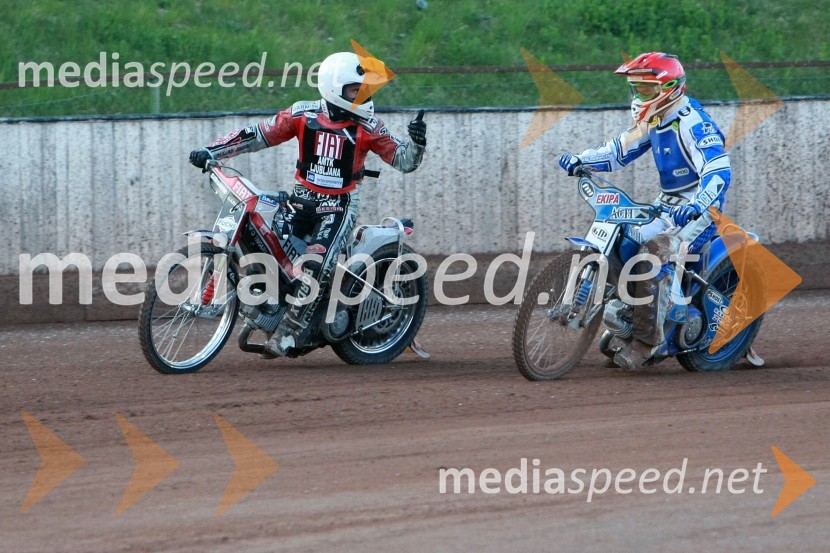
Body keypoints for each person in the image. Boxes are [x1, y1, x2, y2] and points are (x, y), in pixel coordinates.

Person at [189, 51, 427, 357]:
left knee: (313, 266)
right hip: (301, 199)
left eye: (364, 90)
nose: (362, 96)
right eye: (356, 90)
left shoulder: (370, 126)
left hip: (339, 205)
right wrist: (213, 151)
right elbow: (259, 134)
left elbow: (403, 160)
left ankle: (289, 332)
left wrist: (417, 144)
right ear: (333, 87)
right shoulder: (303, 114)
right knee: (271, 250)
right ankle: (271, 306)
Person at [558, 52, 730, 369]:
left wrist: (697, 205)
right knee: (626, 241)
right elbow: (618, 153)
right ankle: (630, 311)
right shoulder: (654, 120)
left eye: (646, 89)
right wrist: (581, 160)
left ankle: (648, 341)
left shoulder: (694, 123)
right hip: (668, 203)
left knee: (652, 253)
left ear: (671, 88)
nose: (639, 96)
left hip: (701, 210)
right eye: (636, 88)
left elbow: (719, 172)